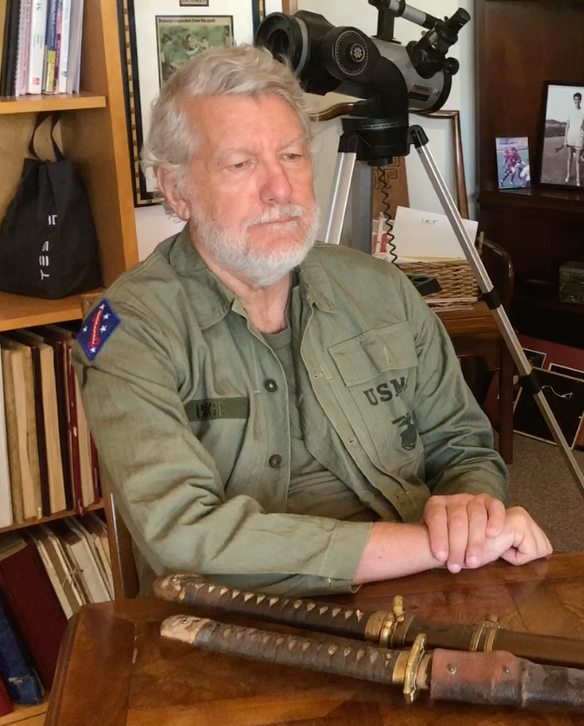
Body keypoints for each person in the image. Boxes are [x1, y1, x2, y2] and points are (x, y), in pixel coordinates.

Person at [72, 46, 552, 598]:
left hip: (428, 588)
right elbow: (186, 535)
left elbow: (462, 443)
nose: (280, 189)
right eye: (240, 164)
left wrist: (471, 510)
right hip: (240, 618)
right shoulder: (132, 329)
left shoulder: (381, 290)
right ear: (177, 191)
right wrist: (429, 545)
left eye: (292, 156)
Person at [564, 92, 584, 186]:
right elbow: (567, 126)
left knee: (577, 160)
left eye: (578, 99)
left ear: (581, 100)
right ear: (573, 100)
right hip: (570, 137)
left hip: (579, 138)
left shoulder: (583, 112)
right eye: (575, 99)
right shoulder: (570, 111)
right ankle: (568, 175)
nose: (577, 101)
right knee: (569, 158)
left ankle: (578, 180)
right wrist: (565, 139)